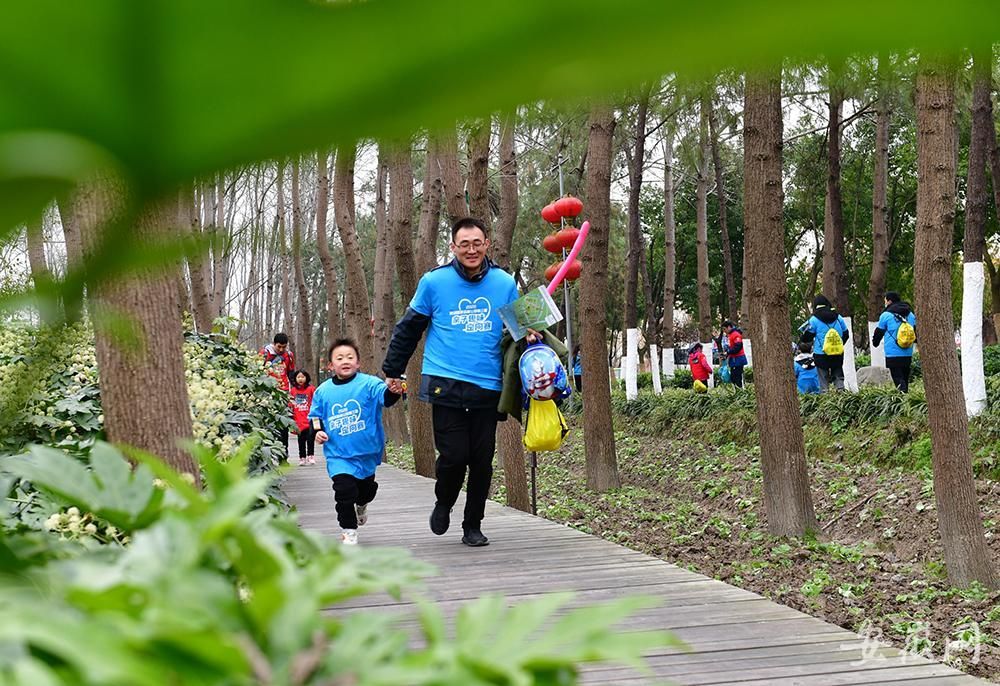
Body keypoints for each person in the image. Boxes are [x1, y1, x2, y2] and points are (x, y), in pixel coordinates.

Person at [382, 217, 522, 548]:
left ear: (487, 244)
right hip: (445, 383)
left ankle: (473, 524)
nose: (471, 250)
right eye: (465, 244)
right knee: (454, 456)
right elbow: (409, 328)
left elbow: (521, 330)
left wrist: (533, 336)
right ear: (453, 247)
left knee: (482, 461)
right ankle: (443, 501)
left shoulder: (504, 283)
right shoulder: (434, 282)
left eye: (477, 243)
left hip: (489, 386)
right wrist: (392, 370)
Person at [311, 339, 401, 546]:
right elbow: (315, 417)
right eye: (340, 358)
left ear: (358, 363)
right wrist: (318, 432)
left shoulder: (369, 383)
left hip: (367, 452)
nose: (345, 361)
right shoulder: (323, 391)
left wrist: (394, 392)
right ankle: (348, 532)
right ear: (330, 365)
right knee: (343, 492)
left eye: (350, 357)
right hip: (338, 454)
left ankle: (362, 504)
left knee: (366, 491)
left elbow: (385, 398)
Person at [799, 295, 850, 392]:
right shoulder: (838, 317)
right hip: (837, 354)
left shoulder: (813, 320)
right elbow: (846, 334)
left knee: (823, 380)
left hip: (821, 355)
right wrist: (837, 345)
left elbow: (806, 338)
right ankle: (842, 398)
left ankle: (825, 401)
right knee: (838, 376)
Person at [872, 291, 917, 392]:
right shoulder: (910, 314)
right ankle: (907, 398)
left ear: (889, 301)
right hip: (907, 352)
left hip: (893, 353)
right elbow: (915, 331)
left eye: (885, 300)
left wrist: (875, 343)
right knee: (904, 378)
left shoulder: (886, 315)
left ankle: (902, 400)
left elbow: (878, 332)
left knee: (898, 379)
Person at [260, 332, 295, 462]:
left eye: (283, 347)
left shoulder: (289, 356)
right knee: (269, 425)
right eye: (279, 347)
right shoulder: (265, 353)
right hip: (268, 394)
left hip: (284, 393)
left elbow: (291, 374)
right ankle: (268, 457)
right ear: (274, 344)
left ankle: (283, 456)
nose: (281, 350)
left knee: (283, 425)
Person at [289, 370, 316, 466]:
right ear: (295, 379)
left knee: (310, 439)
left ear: (307, 378)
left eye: (303, 377)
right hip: (298, 420)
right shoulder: (293, 391)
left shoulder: (311, 389)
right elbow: (290, 404)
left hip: (309, 419)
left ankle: (311, 455)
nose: (300, 379)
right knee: (301, 440)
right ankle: (302, 457)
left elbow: (316, 401)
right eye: (298, 377)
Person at [721, 320, 748, 388]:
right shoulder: (730, 335)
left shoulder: (736, 334)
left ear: (729, 327)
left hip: (738, 360)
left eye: (725, 329)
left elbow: (738, 347)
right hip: (734, 360)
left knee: (737, 378)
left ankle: (740, 391)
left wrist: (728, 352)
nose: (724, 331)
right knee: (733, 378)